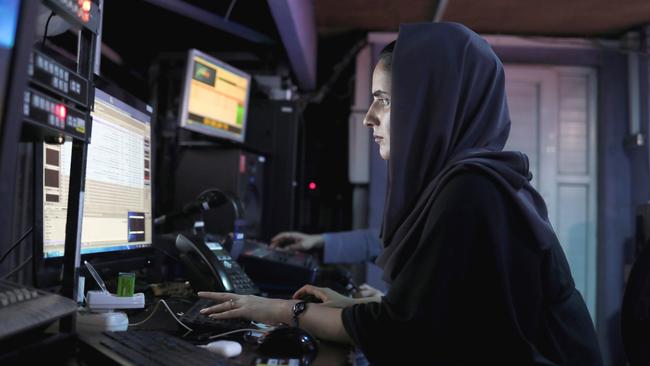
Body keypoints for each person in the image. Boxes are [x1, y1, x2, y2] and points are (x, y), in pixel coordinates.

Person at [198, 22, 603, 365]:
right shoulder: (471, 182)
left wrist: (280, 310)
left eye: (383, 101)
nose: (369, 118)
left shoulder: (474, 191)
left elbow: (406, 335)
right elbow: (441, 318)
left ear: (433, 105)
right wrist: (344, 305)